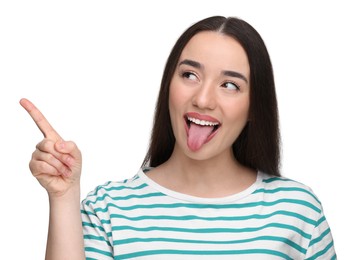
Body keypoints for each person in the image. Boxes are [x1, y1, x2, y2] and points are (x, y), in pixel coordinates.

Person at [20, 16, 336, 259]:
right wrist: (63, 198)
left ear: (254, 106)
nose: (202, 99)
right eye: (189, 75)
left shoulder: (297, 209)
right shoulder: (108, 209)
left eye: (229, 85)